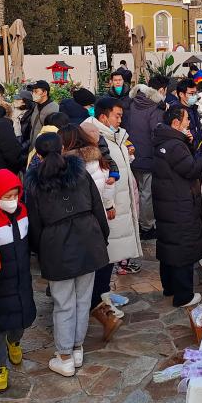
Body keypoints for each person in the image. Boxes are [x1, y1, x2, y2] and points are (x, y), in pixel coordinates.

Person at [26, 133, 110, 377]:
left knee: (63, 303)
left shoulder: (34, 183)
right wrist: (101, 237)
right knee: (83, 300)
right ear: (63, 148)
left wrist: (39, 250)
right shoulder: (80, 172)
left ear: (38, 155)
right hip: (88, 238)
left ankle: (64, 357)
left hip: (56, 244)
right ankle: (76, 348)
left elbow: (35, 223)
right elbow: (97, 207)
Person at [59, 125, 124, 339]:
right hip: (96, 223)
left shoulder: (67, 167)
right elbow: (108, 186)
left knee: (80, 280)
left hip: (75, 225)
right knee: (97, 268)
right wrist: (109, 207)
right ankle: (103, 312)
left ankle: (92, 321)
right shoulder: (98, 160)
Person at [152, 105, 202, 308]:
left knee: (170, 244)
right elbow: (192, 169)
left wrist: (189, 144)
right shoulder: (175, 146)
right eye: (186, 120)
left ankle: (169, 287)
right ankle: (183, 295)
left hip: (168, 202)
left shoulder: (165, 141)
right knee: (182, 246)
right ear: (175, 123)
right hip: (179, 203)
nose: (189, 123)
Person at [0, 169, 36, 394]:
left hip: (22, 280)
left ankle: (14, 342)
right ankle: (0, 367)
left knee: (21, 322)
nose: (12, 201)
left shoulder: (24, 213)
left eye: (15, 195)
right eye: (6, 197)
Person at [83, 97, 142, 280]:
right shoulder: (94, 138)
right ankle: (100, 298)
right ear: (103, 117)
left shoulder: (115, 135)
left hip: (120, 202)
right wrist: (108, 204)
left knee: (112, 254)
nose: (120, 120)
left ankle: (105, 293)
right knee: (105, 253)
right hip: (109, 205)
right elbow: (101, 176)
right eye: (117, 116)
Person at [123, 75, 167, 240]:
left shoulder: (131, 104)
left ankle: (136, 223)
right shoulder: (155, 108)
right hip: (148, 156)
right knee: (146, 193)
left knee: (135, 191)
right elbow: (157, 133)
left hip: (131, 154)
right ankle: (147, 227)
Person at [166, 79, 202, 148]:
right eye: (192, 93)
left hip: (197, 148)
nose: (195, 96)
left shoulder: (193, 107)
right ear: (181, 94)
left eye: (196, 93)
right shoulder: (176, 112)